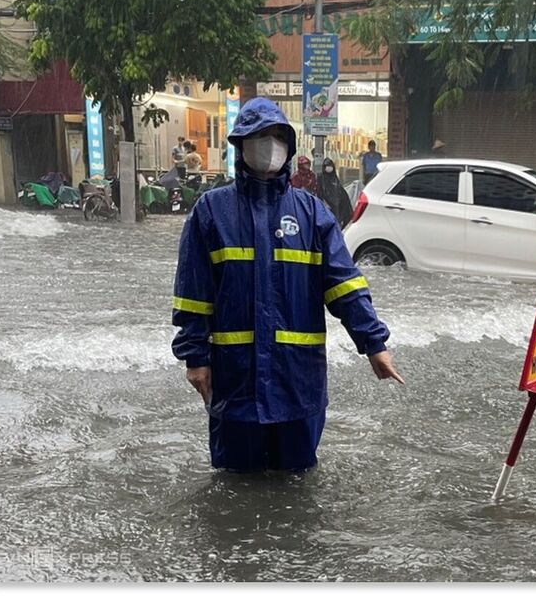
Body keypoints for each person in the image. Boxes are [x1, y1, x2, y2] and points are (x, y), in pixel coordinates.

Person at [171, 97, 403, 473]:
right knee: (235, 488)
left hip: (298, 382)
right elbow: (193, 294)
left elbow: (344, 285)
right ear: (241, 145)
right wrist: (195, 359)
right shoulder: (211, 211)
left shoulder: (312, 213)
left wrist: (374, 344)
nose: (269, 146)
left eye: (277, 136)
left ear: (289, 146)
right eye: (259, 136)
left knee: (298, 487)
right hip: (235, 382)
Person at [318, 157, 353, 228]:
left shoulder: (334, 178)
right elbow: (320, 191)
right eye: (327, 166)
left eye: (330, 166)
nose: (329, 168)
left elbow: (340, 190)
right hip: (327, 204)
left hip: (337, 204)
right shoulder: (321, 178)